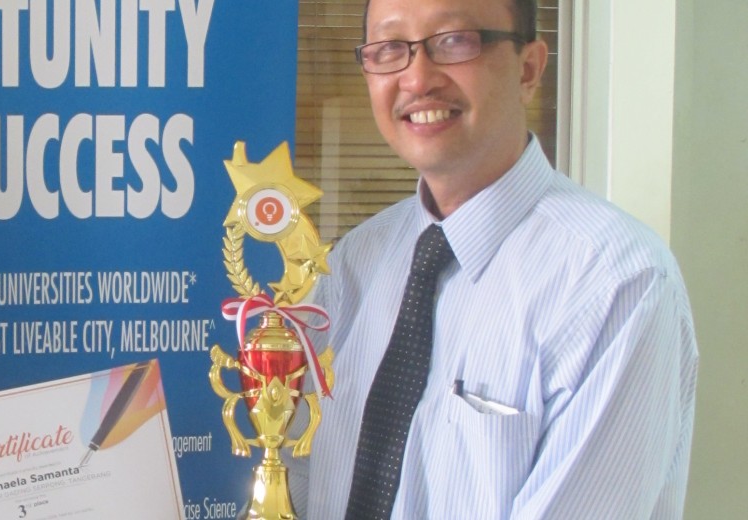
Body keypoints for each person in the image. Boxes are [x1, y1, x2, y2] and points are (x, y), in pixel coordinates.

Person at [287, 0, 698, 518]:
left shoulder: (615, 282)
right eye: (389, 48)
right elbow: (301, 481)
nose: (417, 78)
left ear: (529, 69)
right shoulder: (354, 264)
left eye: (454, 41)